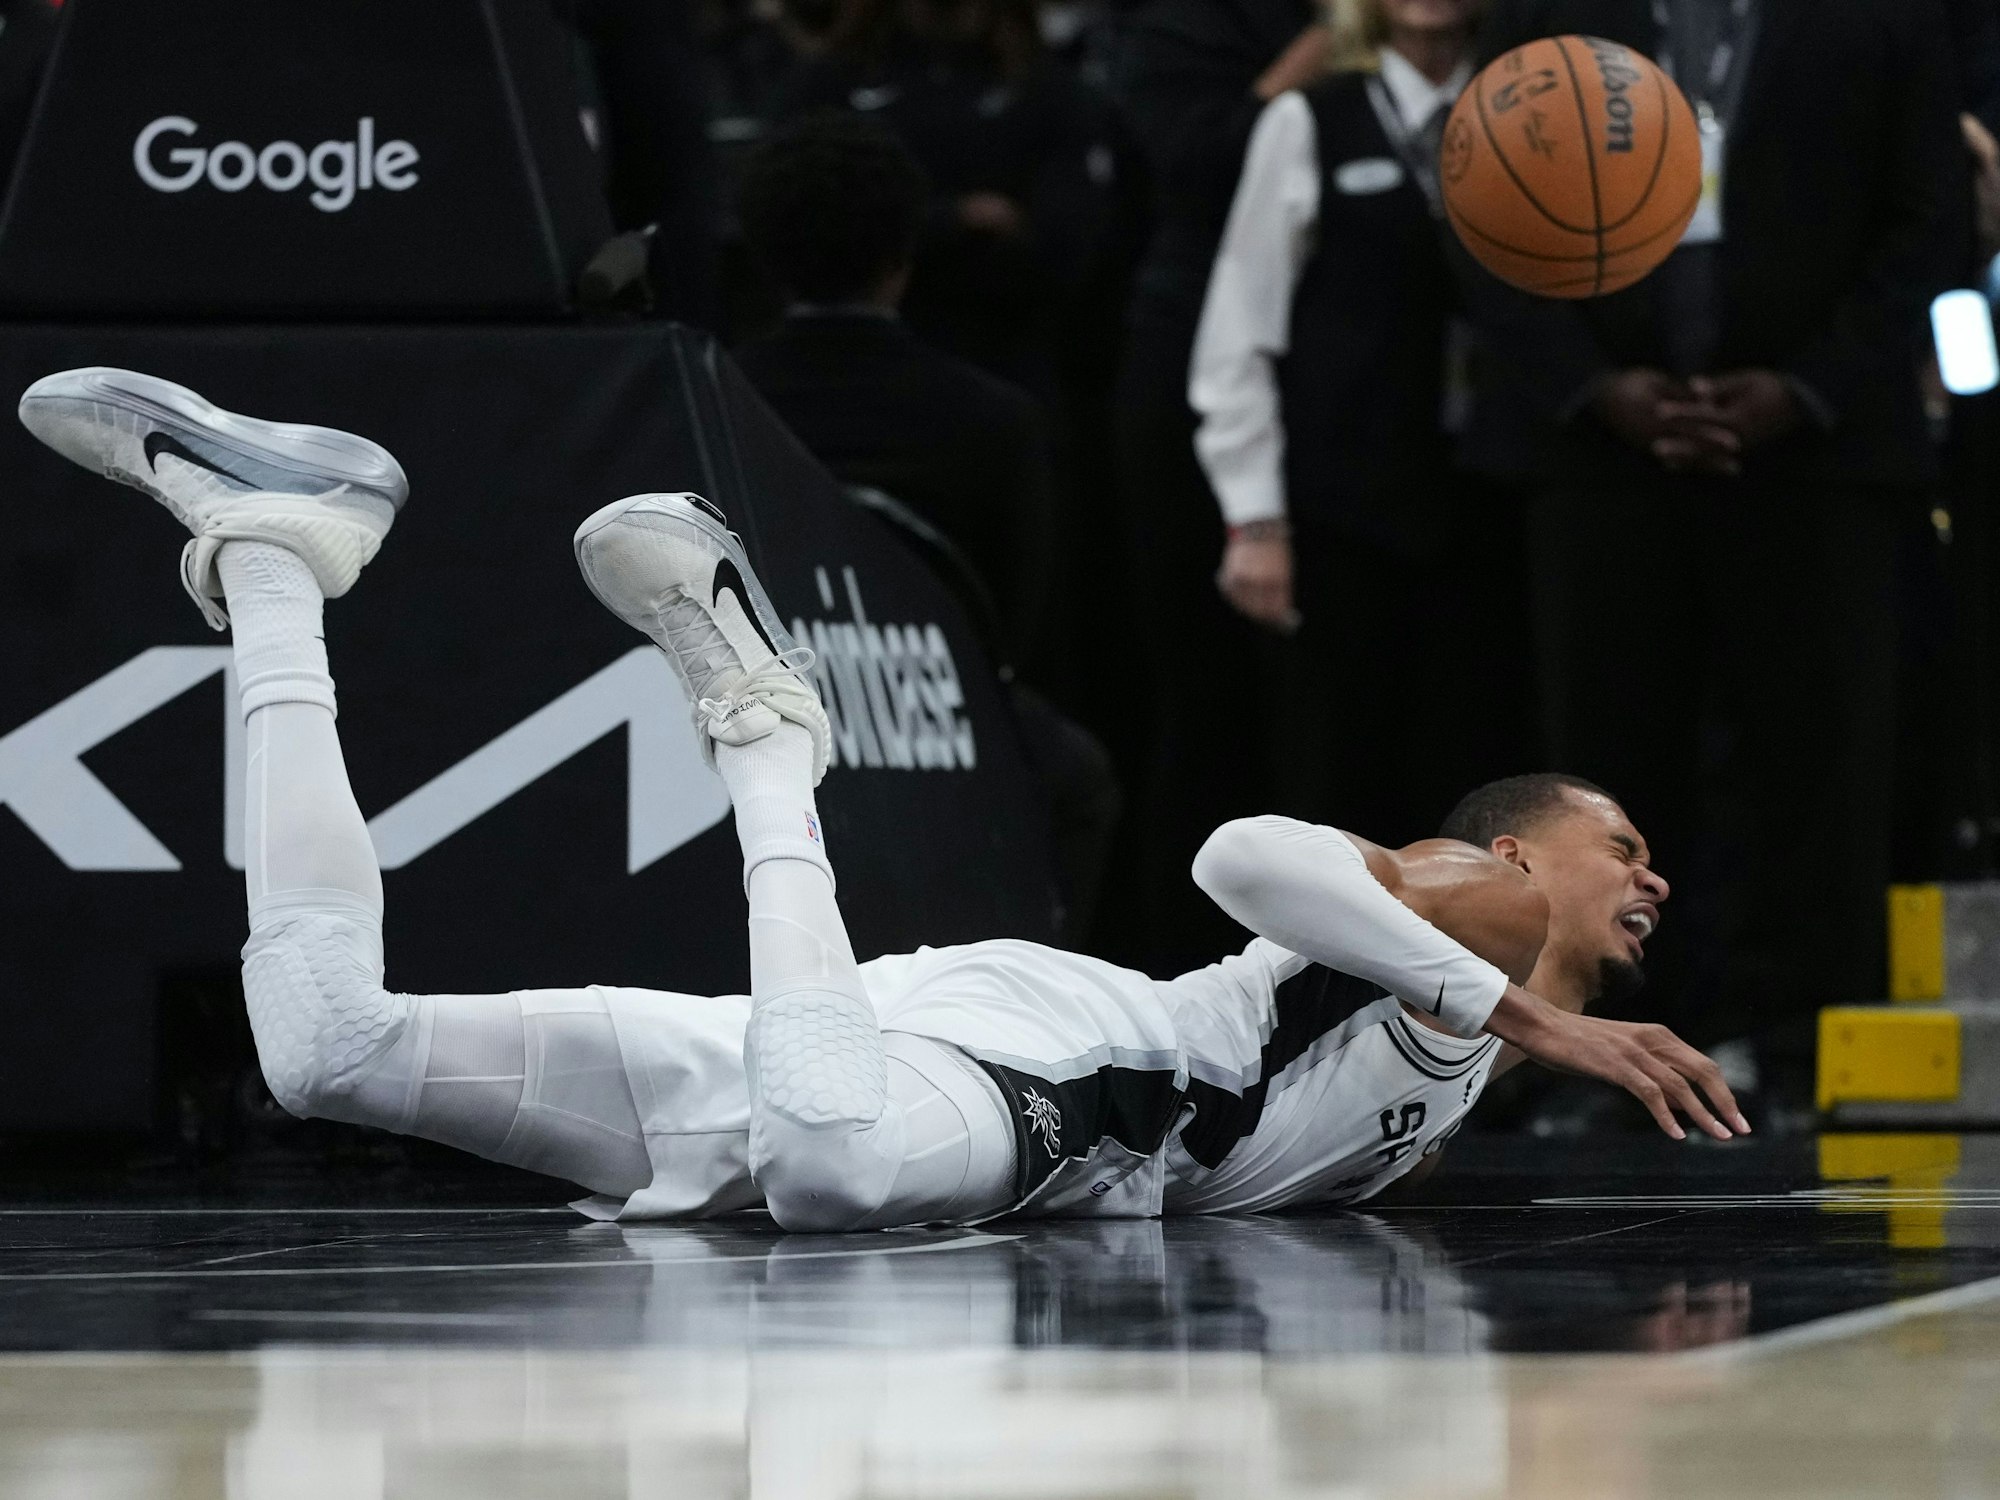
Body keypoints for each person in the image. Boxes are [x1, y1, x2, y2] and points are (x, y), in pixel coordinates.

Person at [16, 367, 1744, 1230]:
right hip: (1060, 1062)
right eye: (1628, 843)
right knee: (837, 1180)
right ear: (1518, 850)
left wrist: (1536, 1035)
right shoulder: (1448, 899)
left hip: (884, 1044)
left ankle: (276, 555)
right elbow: (1242, 851)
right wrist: (1526, 1005)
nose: (1651, 876)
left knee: (327, 1050)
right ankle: (767, 728)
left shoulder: (1485, 1043)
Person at [1462, 0, 1966, 1083]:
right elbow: (1477, 216)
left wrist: (1806, 390)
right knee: (1598, 774)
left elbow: (1933, 220)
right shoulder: (1540, 13)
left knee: (1822, 768)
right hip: (1598, 461)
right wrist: (1596, 391)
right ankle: (1594, 1055)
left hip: (1817, 457)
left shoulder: (1888, 21)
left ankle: (1804, 1054)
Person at [1189, 0, 1529, 844]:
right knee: (1341, 779)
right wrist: (1255, 518)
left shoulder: (1534, 121)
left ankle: (1477, 976)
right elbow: (1240, 325)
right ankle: (1337, 978)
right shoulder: (1313, 117)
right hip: (1346, 506)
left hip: (1497, 498)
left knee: (1482, 771)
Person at [731, 113, 1057, 665]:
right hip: (955, 725)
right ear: (905, 253)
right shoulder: (996, 421)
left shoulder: (712, 403)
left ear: (760, 255)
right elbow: (1026, 641)